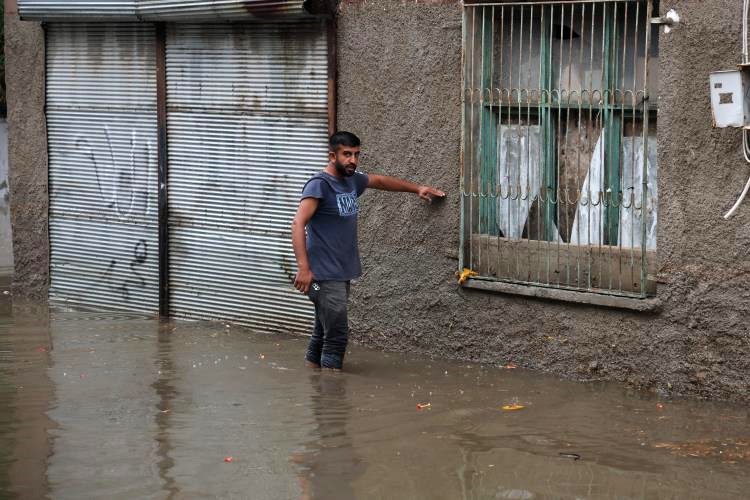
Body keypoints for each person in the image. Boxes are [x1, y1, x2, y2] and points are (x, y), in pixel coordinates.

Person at [291, 131, 445, 370]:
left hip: (340, 273)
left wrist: (417, 189)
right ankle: (332, 398)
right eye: (346, 154)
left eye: (356, 155)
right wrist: (303, 268)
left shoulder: (351, 180)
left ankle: (315, 389)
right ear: (332, 156)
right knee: (337, 335)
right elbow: (298, 223)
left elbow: (380, 181)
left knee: (323, 330)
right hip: (322, 277)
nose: (352, 160)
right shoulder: (319, 185)